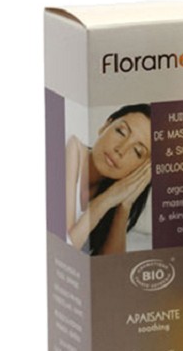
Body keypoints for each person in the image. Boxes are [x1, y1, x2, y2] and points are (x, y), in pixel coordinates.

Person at [65, 104, 152, 255]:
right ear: (105, 125)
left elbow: (112, 265)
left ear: (141, 169)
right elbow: (64, 251)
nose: (121, 149)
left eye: (137, 151)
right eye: (121, 132)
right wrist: (106, 200)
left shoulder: (112, 193)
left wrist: (124, 205)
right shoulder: (71, 149)